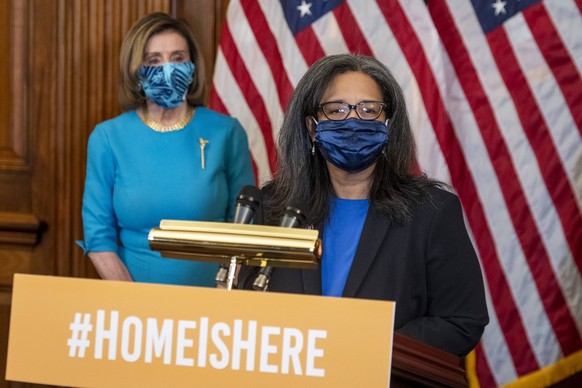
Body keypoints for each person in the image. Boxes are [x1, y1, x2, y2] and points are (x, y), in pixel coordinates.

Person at [238, 53, 488, 356]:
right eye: (337, 109)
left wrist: (373, 350)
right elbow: (246, 309)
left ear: (389, 124)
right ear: (311, 127)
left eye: (369, 110)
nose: (353, 121)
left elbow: (462, 321)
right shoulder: (274, 209)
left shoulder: (432, 211)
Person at [79, 13, 254, 287]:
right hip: (132, 303)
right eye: (154, 61)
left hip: (215, 301)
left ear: (192, 67)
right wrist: (134, 303)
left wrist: (224, 295)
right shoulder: (108, 137)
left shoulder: (226, 132)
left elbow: (244, 226)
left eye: (177, 58)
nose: (167, 69)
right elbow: (98, 235)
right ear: (136, 71)